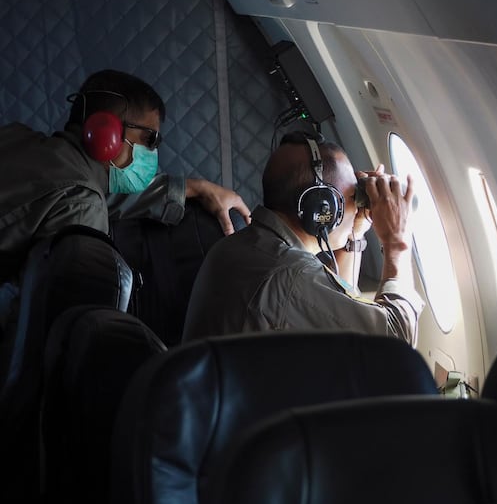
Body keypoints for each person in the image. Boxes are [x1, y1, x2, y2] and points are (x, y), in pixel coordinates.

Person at [0, 69, 251, 334]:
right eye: (149, 138)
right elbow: (39, 330)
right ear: (105, 133)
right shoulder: (82, 205)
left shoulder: (18, 139)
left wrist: (194, 188)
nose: (152, 152)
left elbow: (90, 191)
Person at [182, 130, 424, 346]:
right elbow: (394, 348)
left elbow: (341, 308)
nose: (356, 205)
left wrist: (355, 233)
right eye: (352, 194)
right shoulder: (288, 276)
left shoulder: (243, 247)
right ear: (322, 207)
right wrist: (396, 244)